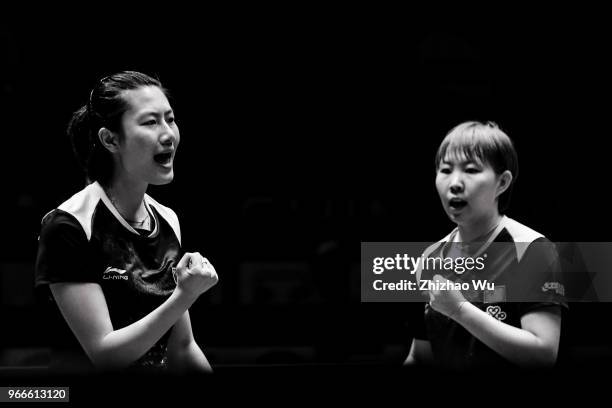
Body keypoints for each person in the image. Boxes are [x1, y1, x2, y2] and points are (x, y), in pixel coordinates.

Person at [35, 71, 218, 373]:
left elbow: (182, 348)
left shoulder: (166, 220)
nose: (168, 134)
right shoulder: (69, 226)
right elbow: (107, 357)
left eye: (170, 119)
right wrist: (185, 295)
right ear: (110, 139)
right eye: (150, 122)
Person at [404, 121, 567, 370]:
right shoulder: (430, 258)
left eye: (471, 170)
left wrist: (459, 309)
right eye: (445, 170)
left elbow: (543, 354)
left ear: (502, 183)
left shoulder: (532, 249)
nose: (455, 183)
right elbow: (421, 356)